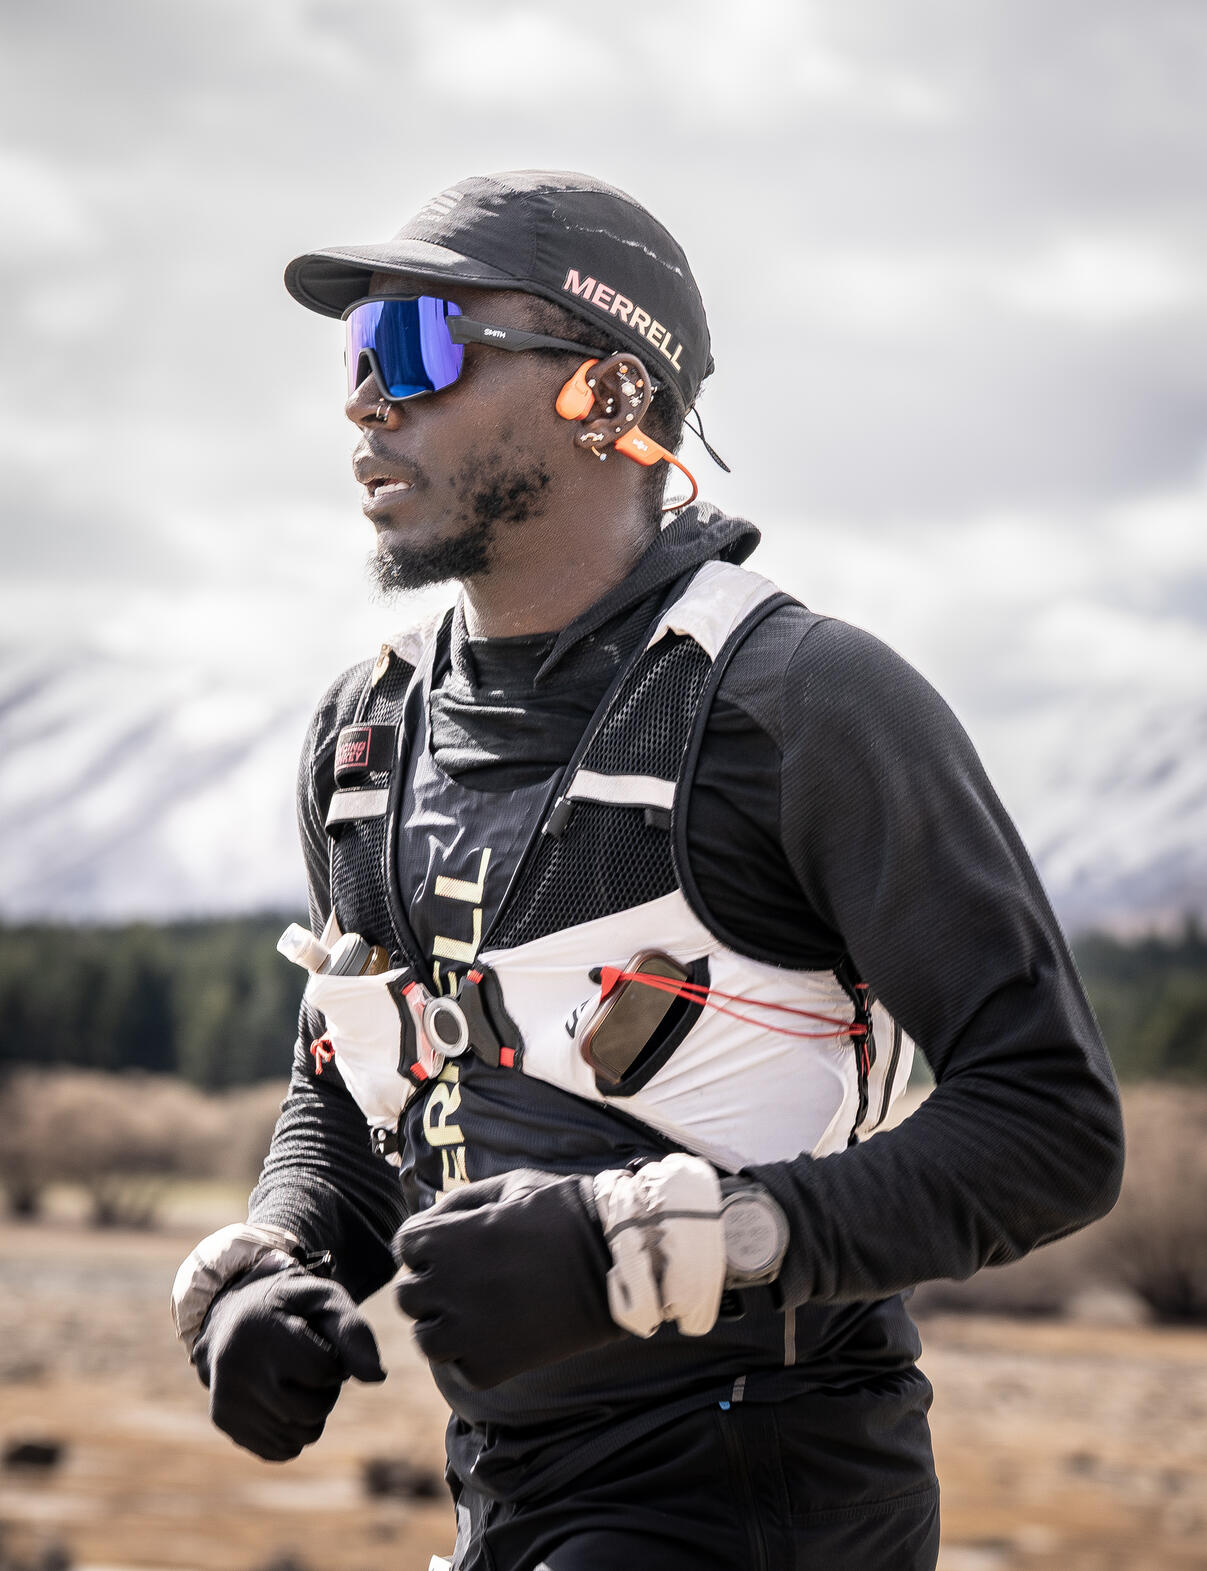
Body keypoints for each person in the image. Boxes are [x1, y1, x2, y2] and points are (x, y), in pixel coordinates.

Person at [171, 171, 1124, 1571]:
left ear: (608, 395)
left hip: (769, 1495)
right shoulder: (365, 734)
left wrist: (653, 1246)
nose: (370, 402)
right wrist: (278, 1266)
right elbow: (360, 1089)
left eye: (422, 345)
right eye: (356, 356)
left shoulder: (805, 703)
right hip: (505, 1499)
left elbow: (1054, 1128)